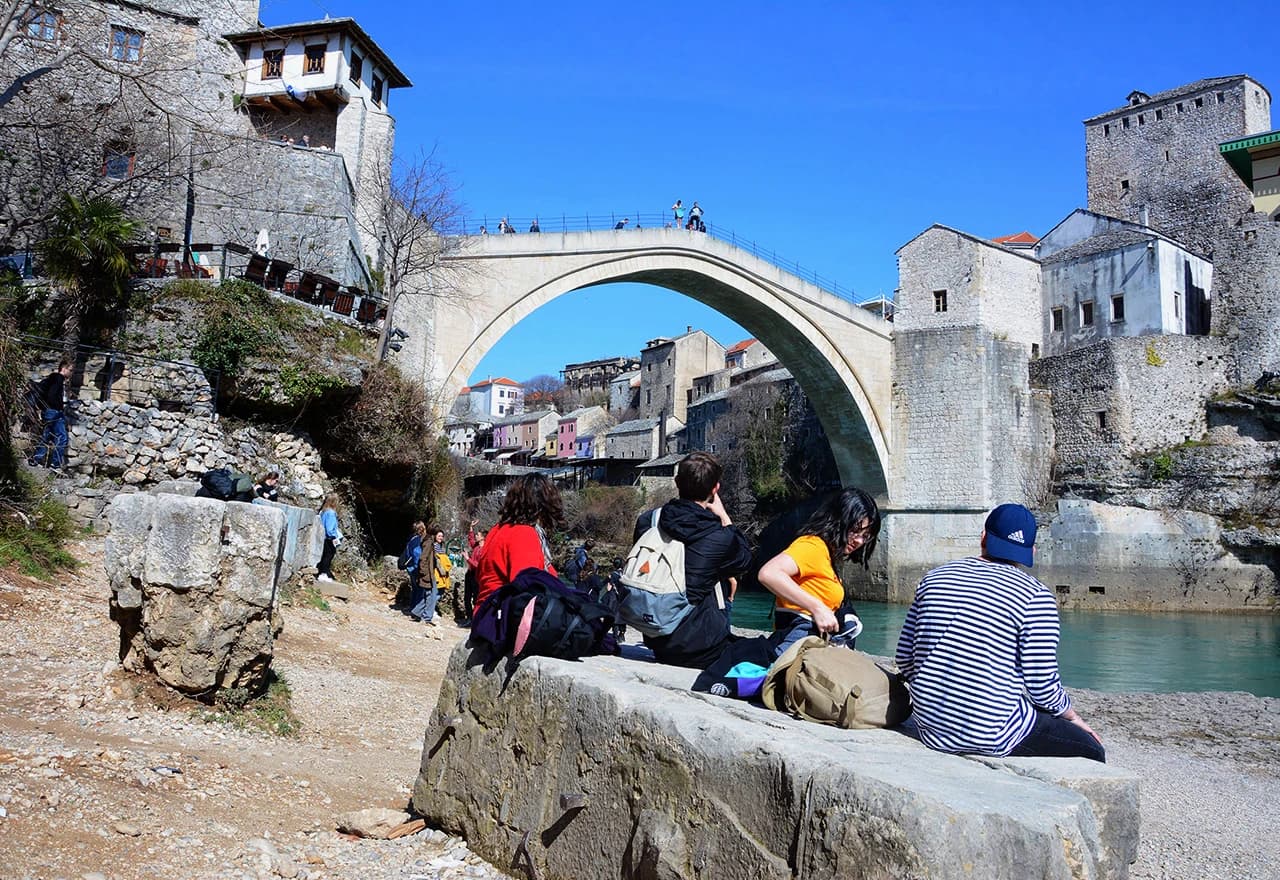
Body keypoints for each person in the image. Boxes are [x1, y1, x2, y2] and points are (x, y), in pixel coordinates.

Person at [894, 503, 1105, 762]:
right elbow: (1042, 686)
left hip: (931, 727)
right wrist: (1072, 717)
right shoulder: (1035, 596)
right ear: (1031, 551)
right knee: (1092, 749)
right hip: (991, 734)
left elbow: (905, 658)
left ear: (983, 537)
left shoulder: (934, 578)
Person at [632, 451, 752, 669]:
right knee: (764, 651)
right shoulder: (719, 535)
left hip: (657, 635)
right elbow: (744, 560)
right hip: (703, 645)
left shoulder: (648, 521)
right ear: (715, 489)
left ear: (677, 482)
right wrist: (725, 517)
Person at [756, 488, 881, 657]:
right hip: (796, 645)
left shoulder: (828, 555)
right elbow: (769, 573)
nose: (859, 540)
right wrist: (817, 608)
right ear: (838, 520)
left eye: (865, 536)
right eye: (855, 530)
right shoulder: (813, 546)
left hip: (809, 646)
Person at [474, 474, 562, 613]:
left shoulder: (497, 530)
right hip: (504, 620)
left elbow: (481, 575)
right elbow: (527, 590)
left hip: (486, 614)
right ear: (543, 507)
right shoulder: (524, 534)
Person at [30, 358, 72, 469]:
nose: (71, 373)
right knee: (62, 437)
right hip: (54, 412)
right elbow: (52, 395)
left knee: (47, 436)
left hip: (48, 411)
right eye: (70, 370)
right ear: (64, 369)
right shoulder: (58, 378)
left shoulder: (52, 378)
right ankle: (56, 464)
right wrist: (58, 409)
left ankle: (35, 459)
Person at [412, 526, 449, 625]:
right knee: (432, 595)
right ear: (434, 534)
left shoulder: (428, 541)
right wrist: (424, 572)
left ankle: (417, 612)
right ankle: (426, 617)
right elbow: (423, 558)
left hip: (429, 572)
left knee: (429, 594)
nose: (441, 538)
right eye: (439, 535)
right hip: (429, 573)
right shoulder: (429, 543)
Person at [461, 522, 486, 626]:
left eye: (478, 535)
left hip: (477, 576)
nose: (476, 536)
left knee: (476, 598)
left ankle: (475, 619)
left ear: (483, 537)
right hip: (470, 573)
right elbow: (470, 539)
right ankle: (469, 618)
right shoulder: (476, 546)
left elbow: (479, 565)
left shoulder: (484, 550)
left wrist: (468, 559)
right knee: (467, 597)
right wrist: (471, 527)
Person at [316, 494, 343, 582]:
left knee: (323, 556)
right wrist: (335, 537)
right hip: (329, 538)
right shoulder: (331, 513)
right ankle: (323, 574)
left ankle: (319, 572)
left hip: (322, 537)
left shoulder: (323, 511)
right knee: (328, 556)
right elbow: (330, 529)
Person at [403, 521, 427, 615]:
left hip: (410, 567)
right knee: (420, 590)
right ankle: (417, 611)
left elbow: (408, 553)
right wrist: (421, 569)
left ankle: (412, 607)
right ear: (422, 529)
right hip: (416, 569)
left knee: (415, 588)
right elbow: (417, 555)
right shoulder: (419, 540)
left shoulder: (412, 539)